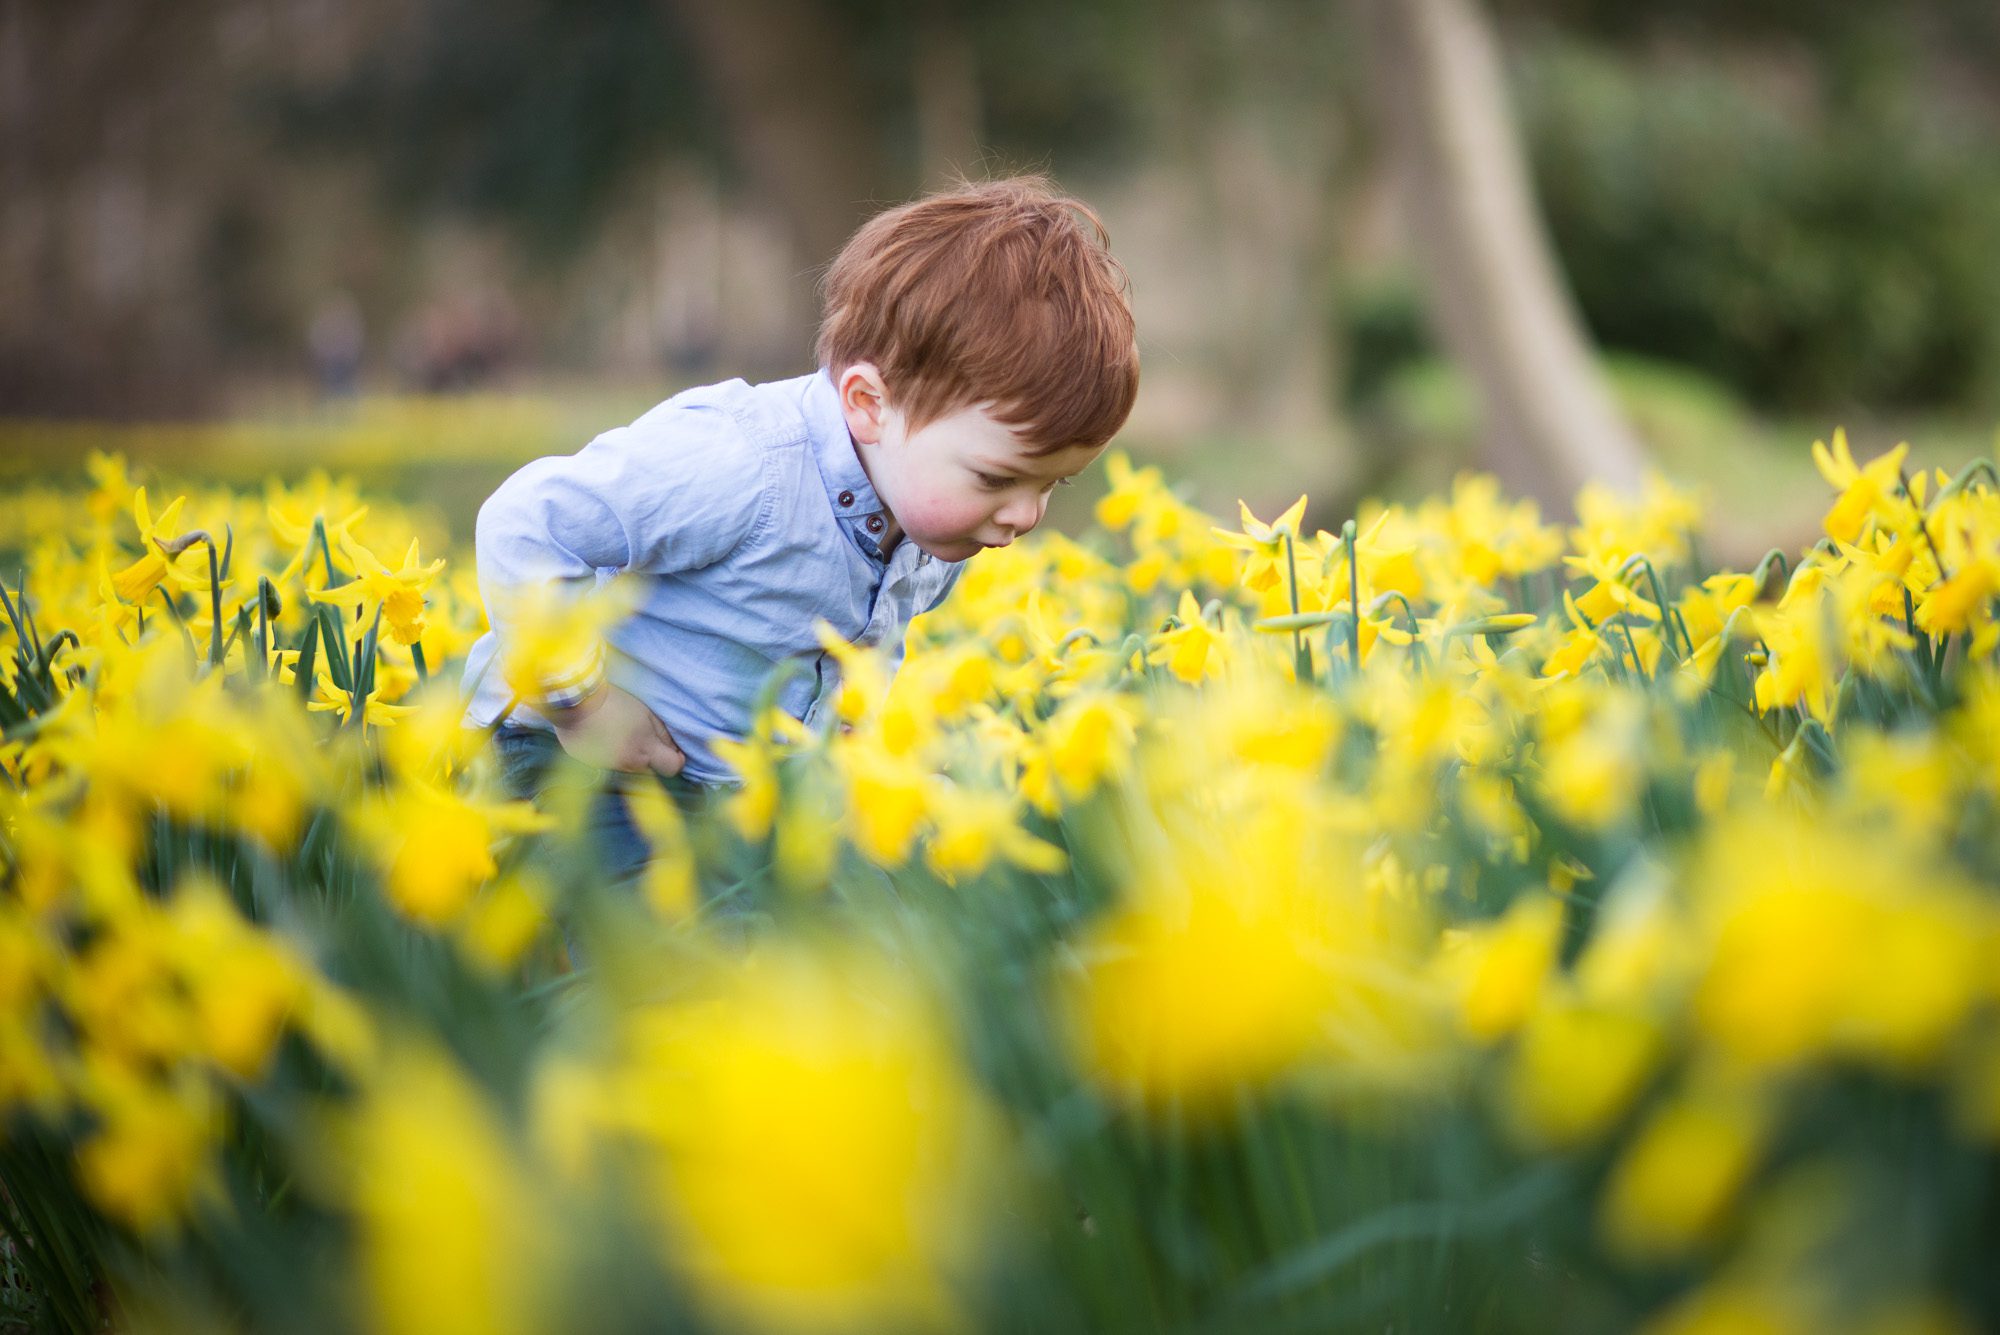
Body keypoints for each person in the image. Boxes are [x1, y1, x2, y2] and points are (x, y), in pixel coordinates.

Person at [461, 175, 1140, 914]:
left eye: (1053, 486)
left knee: (901, 928)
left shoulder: (933, 522)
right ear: (868, 403)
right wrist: (581, 704)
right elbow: (524, 522)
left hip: (736, 787)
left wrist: (863, 755)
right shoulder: (742, 464)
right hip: (579, 766)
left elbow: (858, 657)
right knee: (696, 963)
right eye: (998, 476)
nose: (1026, 514)